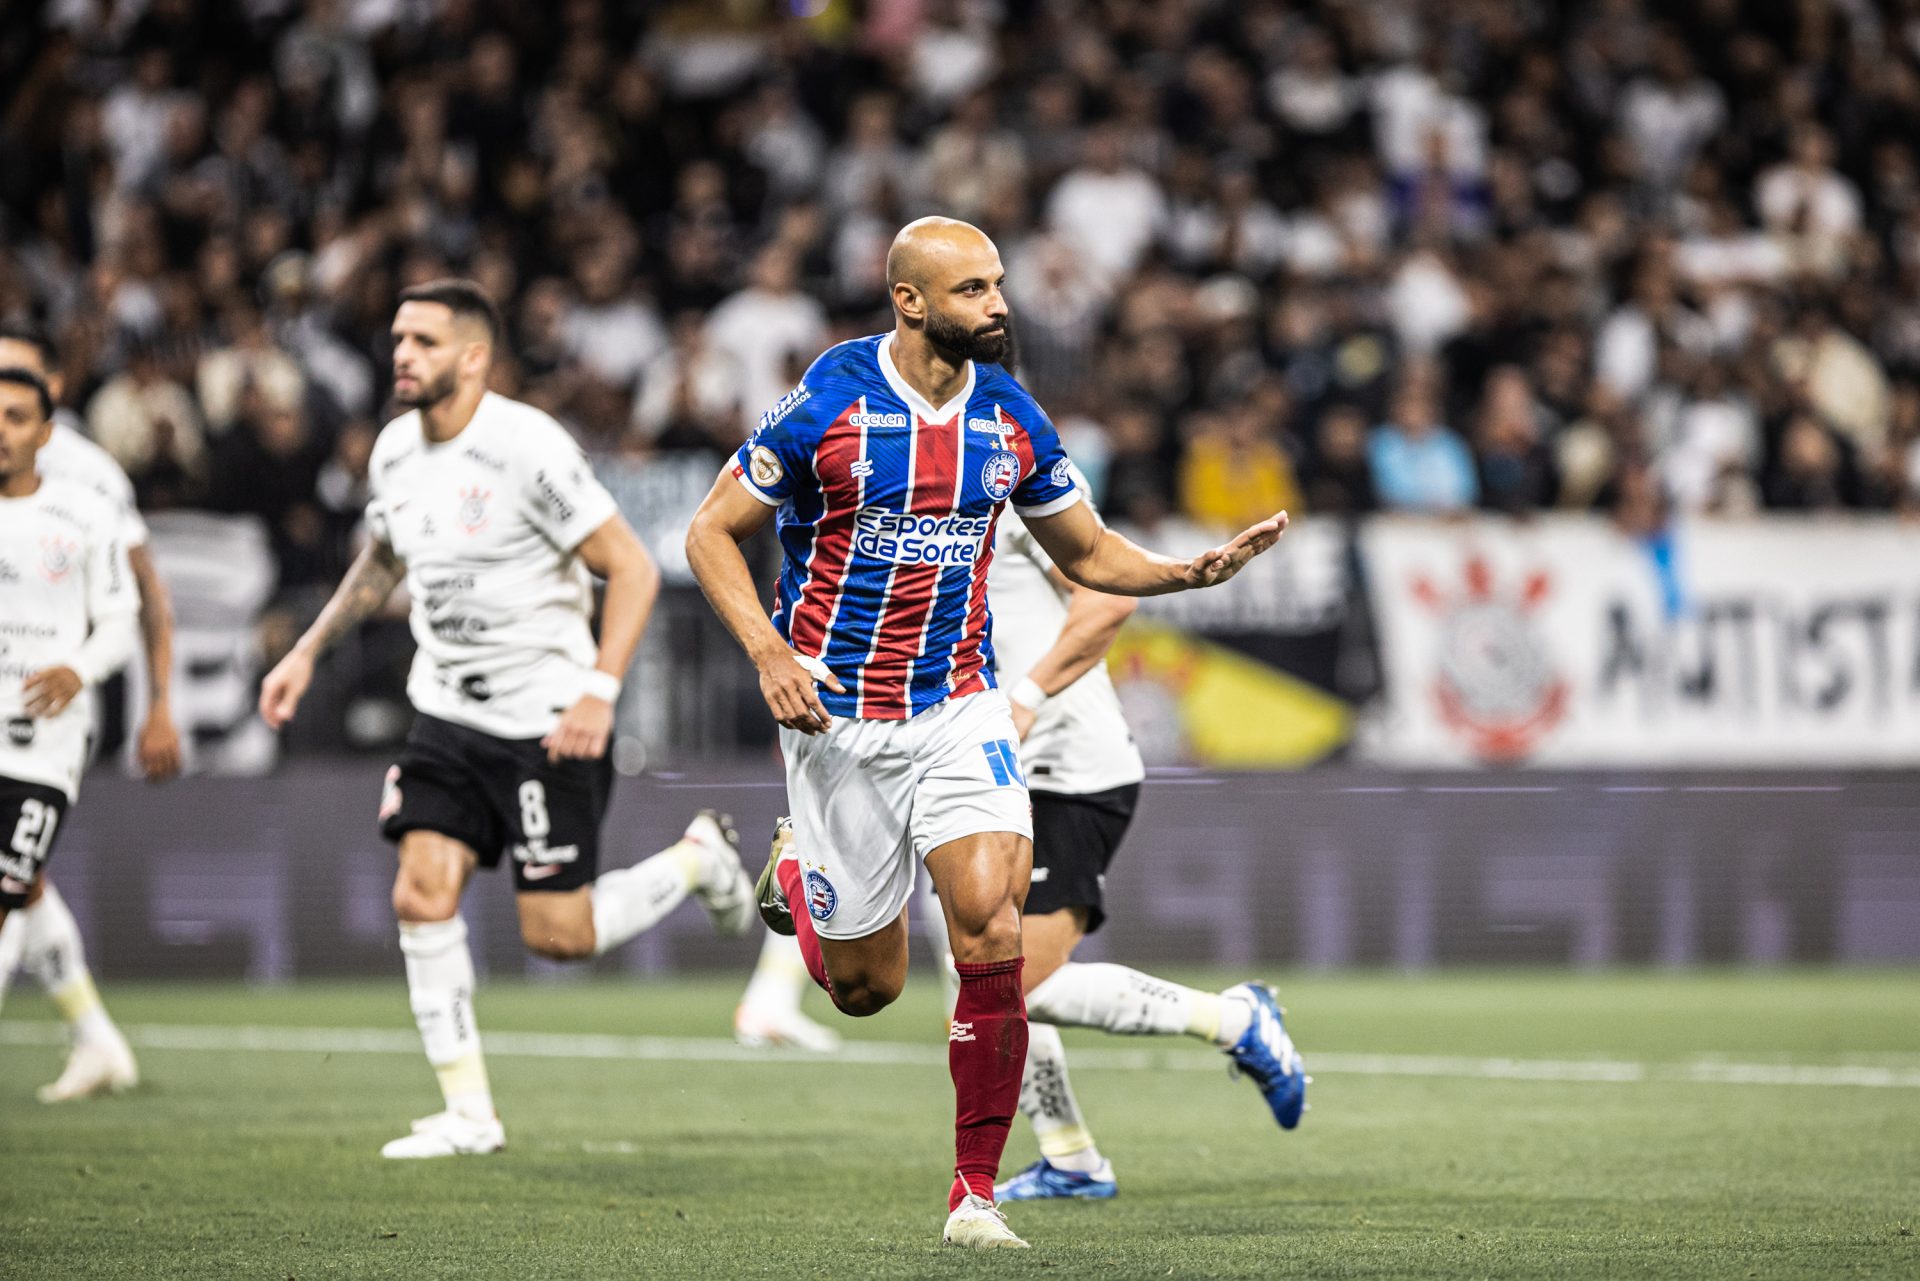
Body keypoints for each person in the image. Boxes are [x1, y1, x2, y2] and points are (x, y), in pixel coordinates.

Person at [683, 217, 1295, 1249]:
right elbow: (709, 532)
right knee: (867, 990)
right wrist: (770, 655)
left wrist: (1188, 572)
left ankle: (974, 1194)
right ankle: (797, 883)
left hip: (960, 703)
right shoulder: (831, 398)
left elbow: (1091, 555)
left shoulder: (1010, 416)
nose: (998, 305)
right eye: (971, 290)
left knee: (992, 929)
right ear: (909, 301)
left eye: (998, 284)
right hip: (838, 716)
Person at [258, 280, 757, 1159]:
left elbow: (631, 568)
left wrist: (601, 692)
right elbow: (381, 560)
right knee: (420, 891)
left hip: (546, 720)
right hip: (445, 712)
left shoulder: (526, 446)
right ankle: (469, 1114)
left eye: (422, 340)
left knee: (556, 936)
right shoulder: (394, 454)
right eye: (398, 337)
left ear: (474, 357)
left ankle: (697, 858)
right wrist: (306, 650)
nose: (402, 354)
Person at [923, 471, 1306, 1202]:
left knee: (1009, 982)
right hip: (986, 766)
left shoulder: (1006, 480)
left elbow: (1108, 591)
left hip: (1070, 770)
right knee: (972, 981)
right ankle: (1070, 1157)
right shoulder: (900, 500)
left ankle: (1235, 1018)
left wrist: (1027, 697)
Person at [0, 324, 182, 1104]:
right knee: (25, 879)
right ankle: (97, 1037)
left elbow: (141, 597)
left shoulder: (89, 487)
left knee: (8, 878)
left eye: (15, 389)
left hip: (46, 720)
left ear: (49, 400)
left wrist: (158, 703)